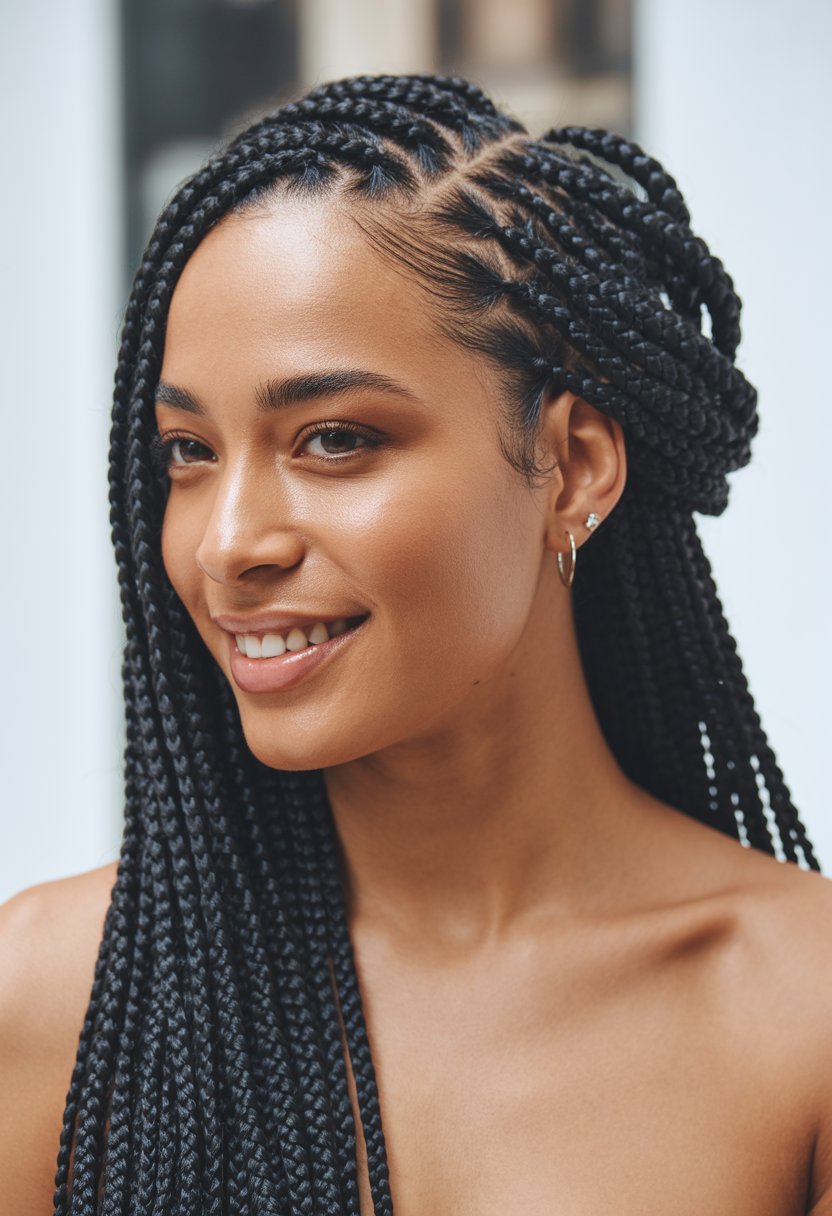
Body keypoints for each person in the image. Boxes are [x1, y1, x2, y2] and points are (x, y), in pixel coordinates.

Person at [1, 72, 830, 1215]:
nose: (227, 542)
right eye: (187, 453)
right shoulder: (51, 999)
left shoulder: (800, 1021)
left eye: (334, 439)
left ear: (575, 464)